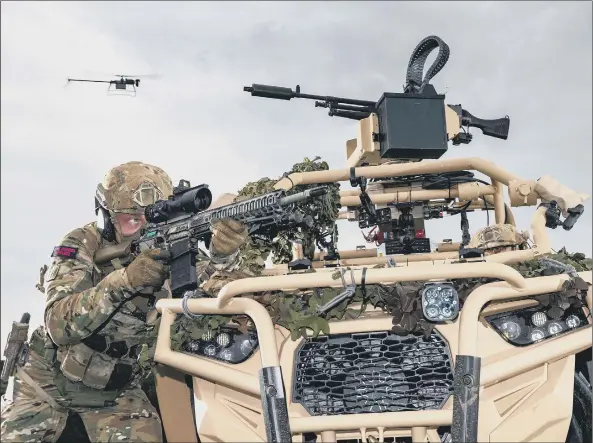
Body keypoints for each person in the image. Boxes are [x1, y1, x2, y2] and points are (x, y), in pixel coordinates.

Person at [0, 161, 248, 442]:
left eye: (150, 218)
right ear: (106, 217)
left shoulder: (174, 243)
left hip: (115, 388)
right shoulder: (82, 242)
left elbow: (211, 292)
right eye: (131, 220)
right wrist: (125, 280)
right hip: (45, 382)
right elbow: (59, 324)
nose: (142, 228)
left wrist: (222, 256)